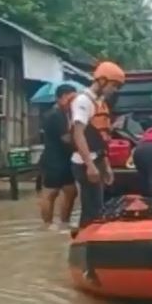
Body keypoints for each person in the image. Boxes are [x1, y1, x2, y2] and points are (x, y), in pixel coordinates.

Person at [71, 61, 123, 228]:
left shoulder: (99, 101)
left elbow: (102, 137)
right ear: (101, 81)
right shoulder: (83, 101)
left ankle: (90, 240)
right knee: (91, 210)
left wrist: (105, 165)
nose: (114, 90)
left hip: (97, 158)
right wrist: (90, 165)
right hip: (85, 162)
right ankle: (85, 245)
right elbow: (78, 134)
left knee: (97, 207)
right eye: (113, 85)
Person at [39, 84, 79, 229]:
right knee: (51, 193)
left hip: (65, 158)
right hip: (53, 160)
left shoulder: (66, 114)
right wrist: (81, 142)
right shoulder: (54, 115)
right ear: (61, 98)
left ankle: (64, 222)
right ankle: (47, 225)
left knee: (71, 191)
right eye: (70, 99)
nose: (73, 103)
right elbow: (66, 138)